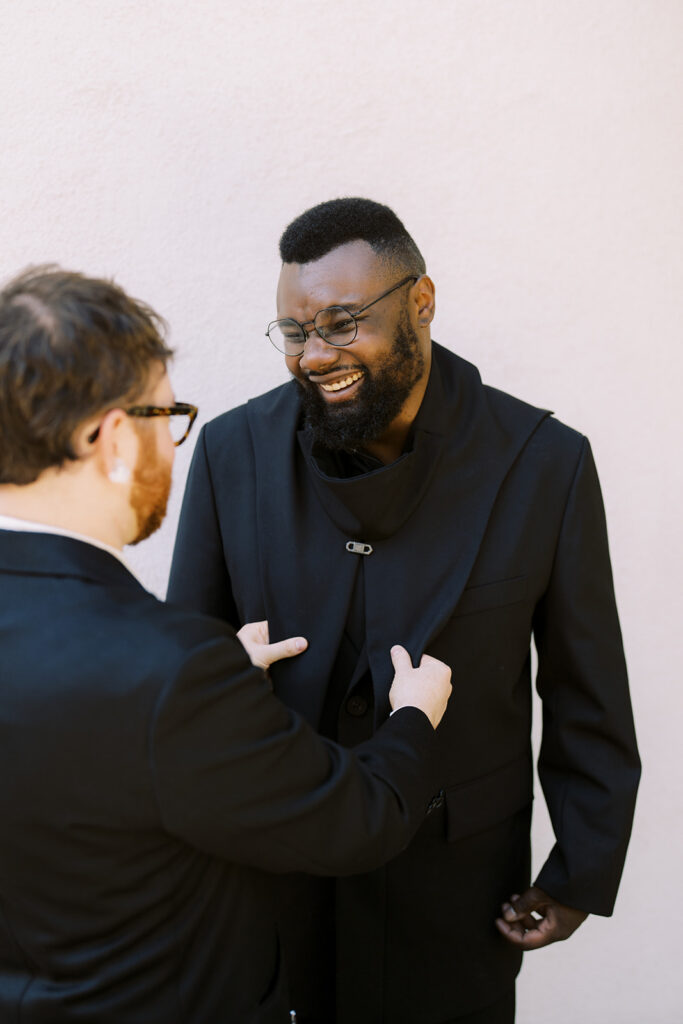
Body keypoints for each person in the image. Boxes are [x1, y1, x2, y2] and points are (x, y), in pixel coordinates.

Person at [168, 198, 641, 1024]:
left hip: (456, 891)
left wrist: (579, 875)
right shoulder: (230, 454)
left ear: (420, 302)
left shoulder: (544, 466)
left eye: (342, 323)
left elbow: (583, 692)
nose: (315, 355)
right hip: (271, 885)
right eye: (293, 331)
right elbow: (181, 680)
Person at [0, 265, 453, 1024]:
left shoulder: (168, 677)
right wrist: (413, 717)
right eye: (164, 415)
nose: (173, 444)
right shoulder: (173, 673)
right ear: (115, 439)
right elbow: (360, 818)